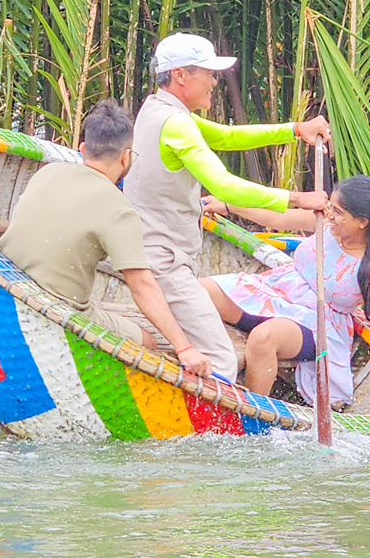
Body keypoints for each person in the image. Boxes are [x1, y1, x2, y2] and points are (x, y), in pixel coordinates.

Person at [122, 32, 331, 380]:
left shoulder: (157, 109)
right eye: (209, 72)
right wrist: (296, 198)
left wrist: (295, 129)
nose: (215, 82)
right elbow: (224, 186)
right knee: (222, 361)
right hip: (165, 263)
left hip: (153, 253)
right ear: (180, 75)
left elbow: (227, 137)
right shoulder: (176, 123)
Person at [0, 99, 211, 376]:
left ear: (83, 149)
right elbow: (142, 287)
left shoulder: (47, 172)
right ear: (126, 157)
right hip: (63, 310)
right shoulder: (120, 209)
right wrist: (184, 348)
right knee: (147, 341)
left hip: (9, 289)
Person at [199, 176, 370, 405]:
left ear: (362, 222)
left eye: (338, 212)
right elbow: (277, 217)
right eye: (330, 207)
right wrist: (227, 206)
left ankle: (251, 414)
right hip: (272, 293)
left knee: (263, 338)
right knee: (199, 291)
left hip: (316, 323)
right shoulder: (325, 222)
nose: (330, 215)